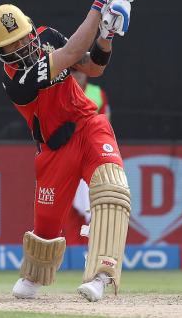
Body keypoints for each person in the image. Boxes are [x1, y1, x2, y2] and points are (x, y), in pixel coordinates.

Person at [0, 0, 135, 302]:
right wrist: (99, 5)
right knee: (47, 229)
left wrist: (107, 36)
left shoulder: (47, 36)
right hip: (54, 150)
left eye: (23, 39)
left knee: (113, 191)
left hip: (89, 126)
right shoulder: (15, 82)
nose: (20, 48)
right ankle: (34, 277)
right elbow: (72, 53)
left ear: (30, 30)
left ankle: (101, 275)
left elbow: (91, 66)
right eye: (10, 46)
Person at [66, 72, 111, 245]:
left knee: (93, 203)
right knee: (69, 204)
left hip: (91, 153)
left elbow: (106, 122)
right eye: (74, 72)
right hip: (68, 152)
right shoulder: (62, 90)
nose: (78, 76)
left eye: (81, 72)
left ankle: (96, 248)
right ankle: (72, 249)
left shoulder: (96, 92)